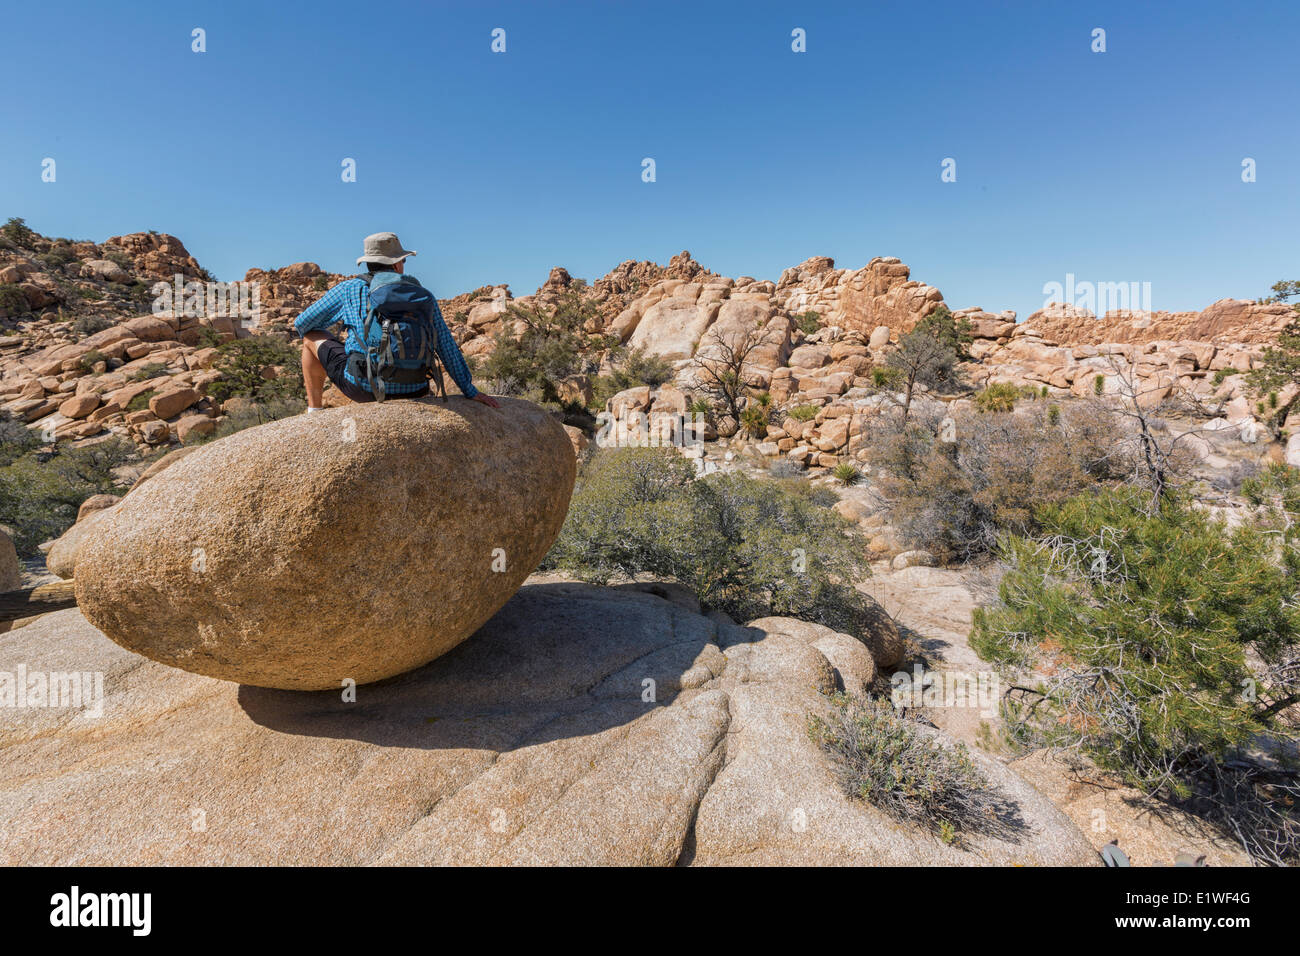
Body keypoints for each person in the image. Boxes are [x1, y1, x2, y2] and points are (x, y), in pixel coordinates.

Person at [294, 232, 499, 410]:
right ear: (395, 263)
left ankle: (314, 411)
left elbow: (302, 323)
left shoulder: (349, 289)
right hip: (416, 388)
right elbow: (444, 343)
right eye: (403, 260)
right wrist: (469, 390)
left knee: (311, 338)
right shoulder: (421, 295)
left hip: (364, 389)